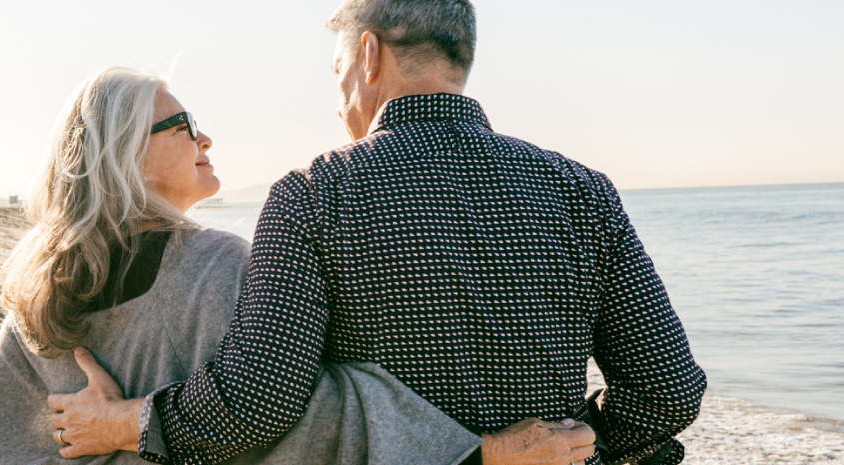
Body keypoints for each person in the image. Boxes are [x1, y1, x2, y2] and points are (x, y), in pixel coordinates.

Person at [48, 1, 708, 465]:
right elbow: (670, 388)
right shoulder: (582, 189)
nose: (338, 97)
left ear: (367, 55)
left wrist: (129, 423)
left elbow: (257, 402)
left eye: (336, 70)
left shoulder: (313, 194)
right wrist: (582, 439)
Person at [0, 67, 586, 465]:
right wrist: (478, 455)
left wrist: (116, 429)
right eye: (183, 125)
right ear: (125, 154)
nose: (205, 139)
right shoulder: (213, 265)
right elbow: (302, 414)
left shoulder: (37, 289)